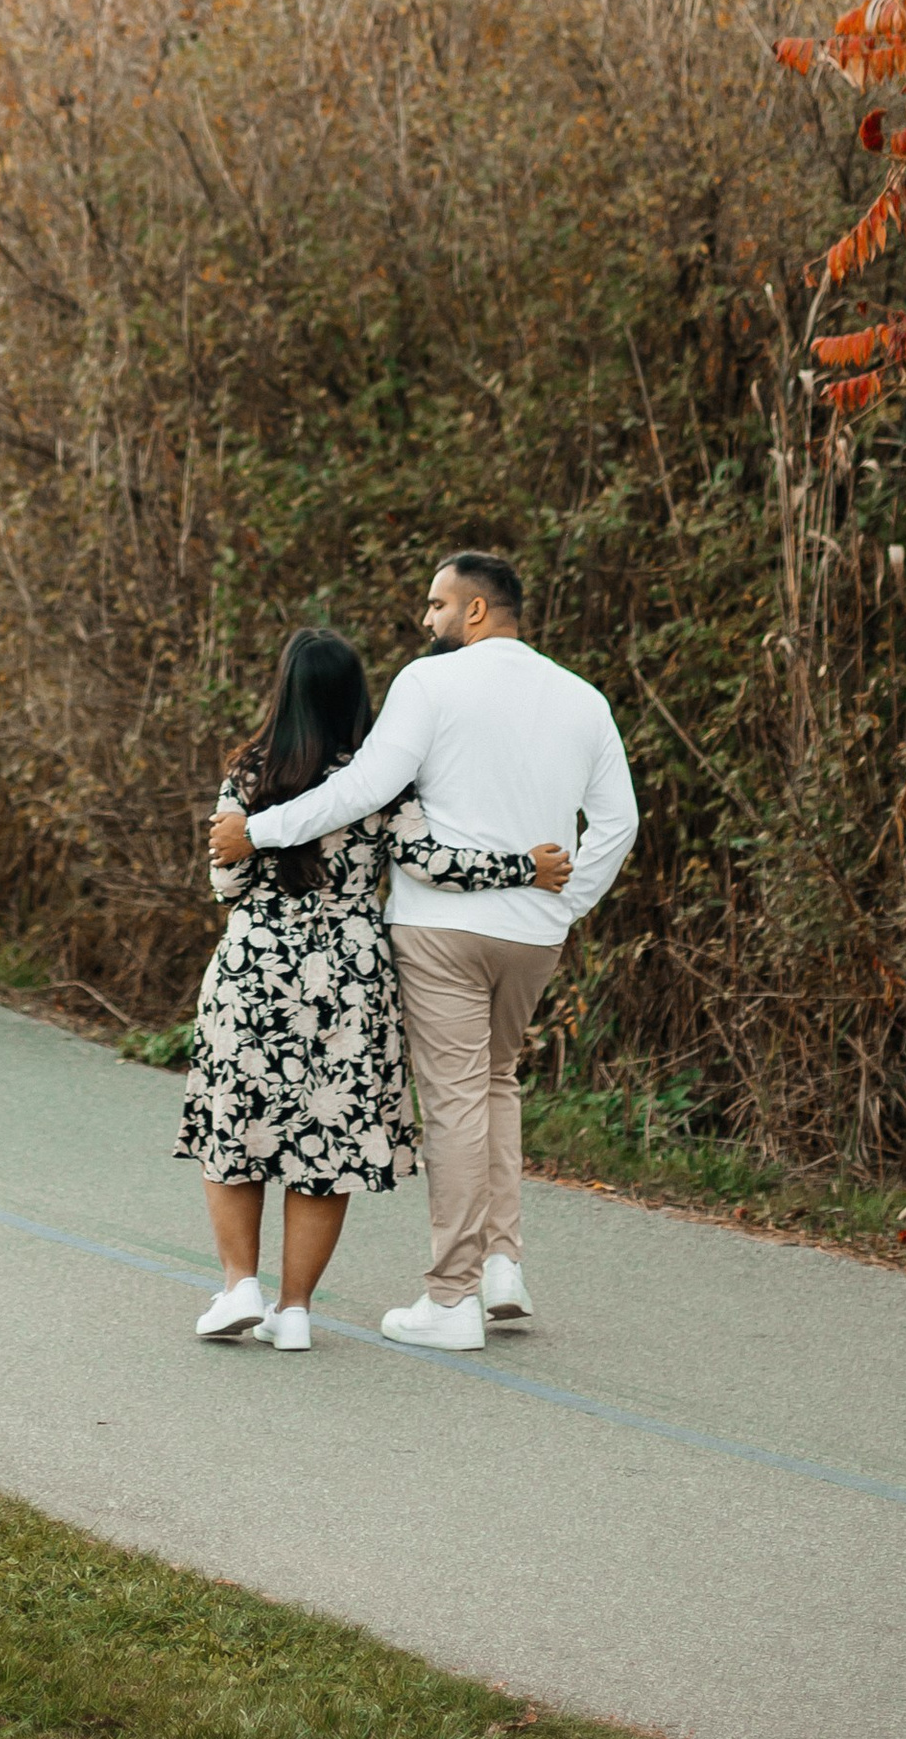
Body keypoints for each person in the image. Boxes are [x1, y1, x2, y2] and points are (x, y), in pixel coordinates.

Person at [211, 552, 636, 1354]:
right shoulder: (583, 699)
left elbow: (366, 787)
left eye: (437, 606)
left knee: (454, 1101)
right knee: (497, 1082)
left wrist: (258, 832)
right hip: (535, 927)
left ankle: (451, 1298)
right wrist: (566, 906)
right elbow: (619, 824)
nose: (427, 621)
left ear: (475, 612)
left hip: (441, 928)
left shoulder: (429, 683)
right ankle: (503, 1263)